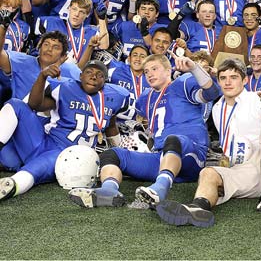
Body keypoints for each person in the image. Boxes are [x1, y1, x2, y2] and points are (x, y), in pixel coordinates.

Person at [154, 58, 261, 227]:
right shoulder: (217, 108)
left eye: (234, 77)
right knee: (207, 173)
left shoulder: (255, 99)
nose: (228, 82)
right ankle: (198, 208)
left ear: (244, 80)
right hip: (243, 171)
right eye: (223, 78)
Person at [68, 53, 220, 208]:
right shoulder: (145, 97)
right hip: (161, 157)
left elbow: (212, 93)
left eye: (154, 68)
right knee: (112, 154)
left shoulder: (182, 83)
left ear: (168, 71)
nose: (150, 74)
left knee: (173, 139)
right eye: (146, 71)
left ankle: (160, 188)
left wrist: (194, 68)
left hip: (190, 155)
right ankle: (108, 191)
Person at [0, 60, 129, 200]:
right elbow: (34, 105)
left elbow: (110, 125)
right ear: (80, 76)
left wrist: (117, 154)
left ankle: (13, 184)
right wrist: (42, 76)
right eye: (89, 72)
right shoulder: (65, 88)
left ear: (105, 80)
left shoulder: (115, 97)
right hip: (43, 142)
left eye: (99, 75)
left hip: (68, 156)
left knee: (28, 167)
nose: (93, 77)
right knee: (16, 104)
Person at [36, 0, 109, 63]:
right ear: (69, 8)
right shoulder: (50, 22)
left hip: (76, 71)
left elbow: (104, 45)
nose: (76, 14)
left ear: (87, 15)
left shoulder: (90, 31)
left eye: (81, 12)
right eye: (74, 9)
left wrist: (101, 18)